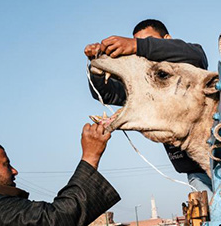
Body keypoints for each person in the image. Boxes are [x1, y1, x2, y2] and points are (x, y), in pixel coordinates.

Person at [85, 19, 213, 193]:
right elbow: (108, 94)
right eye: (140, 42)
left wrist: (137, 46)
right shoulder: (150, 85)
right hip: (195, 171)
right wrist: (96, 64)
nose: (143, 50)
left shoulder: (184, 67)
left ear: (167, 39)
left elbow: (197, 55)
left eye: (149, 40)